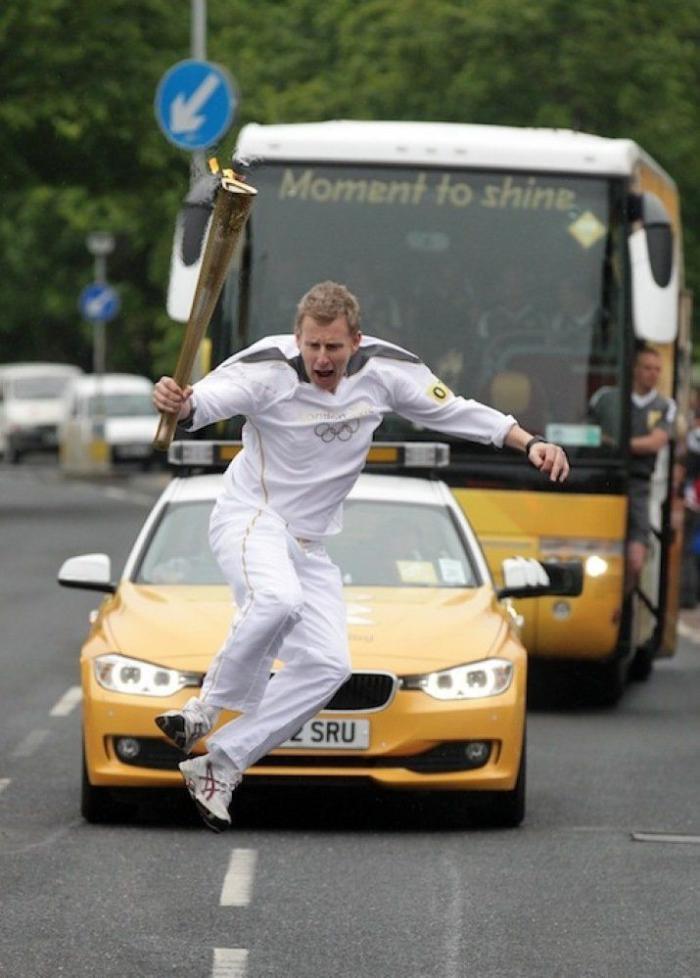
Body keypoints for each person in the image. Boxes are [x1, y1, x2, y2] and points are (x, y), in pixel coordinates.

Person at [153, 280, 569, 832]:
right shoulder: (267, 368)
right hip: (251, 517)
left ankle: (221, 762)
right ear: (298, 339)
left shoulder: (387, 370)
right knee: (277, 599)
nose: (322, 360)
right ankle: (202, 711)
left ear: (356, 341)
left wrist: (530, 442)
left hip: (309, 543)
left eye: (334, 347)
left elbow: (456, 411)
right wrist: (179, 404)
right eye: (313, 346)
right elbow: (202, 403)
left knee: (330, 666)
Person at [589, 343, 676, 592]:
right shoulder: (606, 398)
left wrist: (617, 444)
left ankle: (623, 600)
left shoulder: (664, 406)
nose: (653, 374)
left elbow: (655, 442)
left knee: (636, 559)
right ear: (635, 369)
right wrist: (629, 445)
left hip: (639, 484)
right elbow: (590, 434)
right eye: (647, 368)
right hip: (602, 479)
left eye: (657, 369)